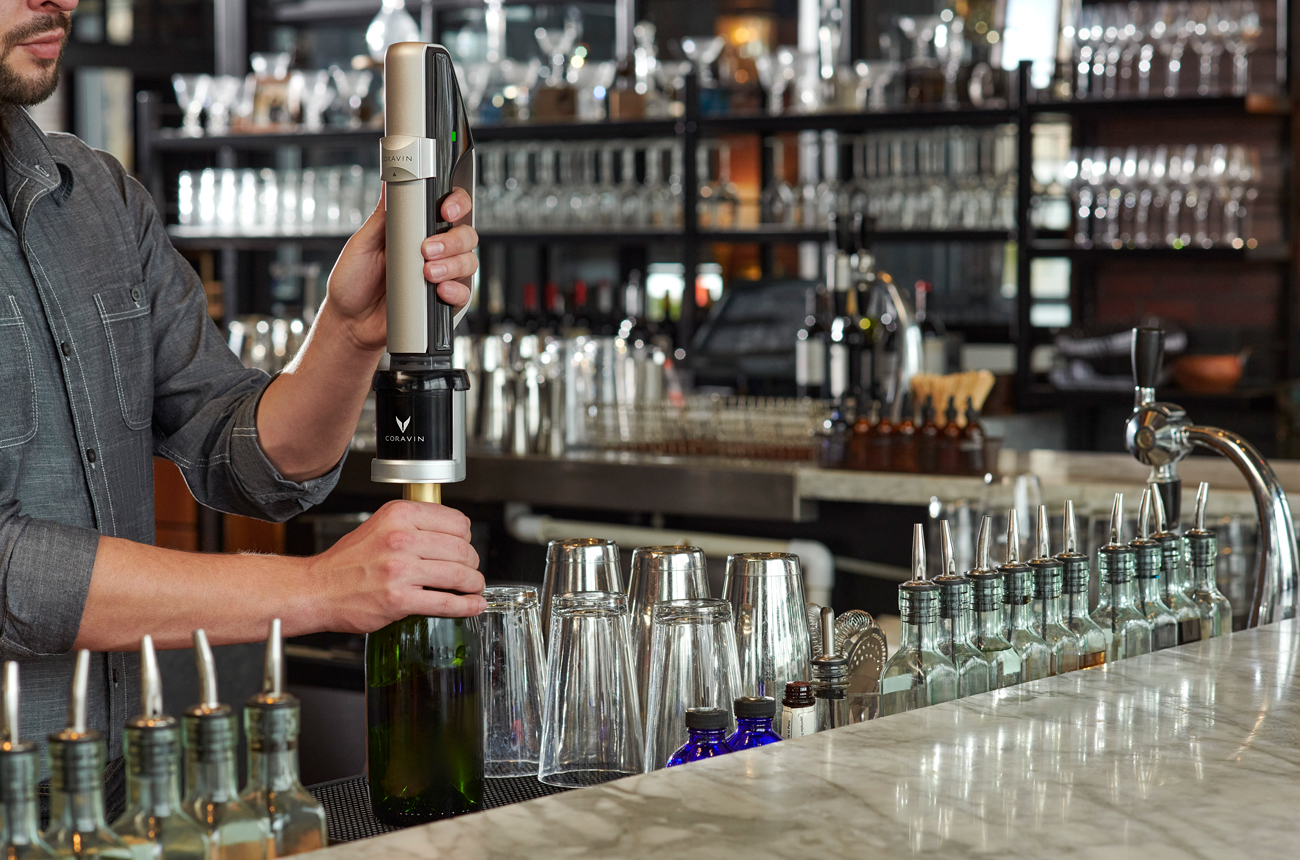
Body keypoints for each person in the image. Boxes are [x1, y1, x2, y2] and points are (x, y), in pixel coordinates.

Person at [0, 0, 486, 785]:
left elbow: (245, 457)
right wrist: (320, 588)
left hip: (124, 797)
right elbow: (10, 576)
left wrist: (350, 331)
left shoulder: (97, 199)